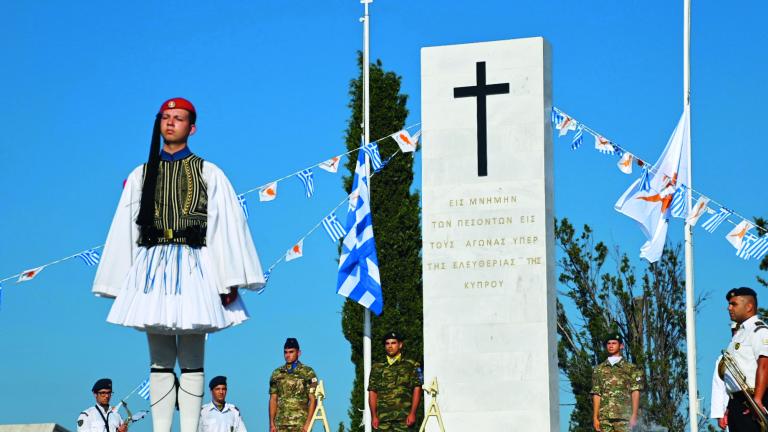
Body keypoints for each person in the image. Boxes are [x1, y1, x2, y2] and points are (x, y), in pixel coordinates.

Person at [93, 97, 265, 432]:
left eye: (179, 118)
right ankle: (161, 429)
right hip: (152, 263)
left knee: (192, 355)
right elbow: (126, 227)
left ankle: (188, 428)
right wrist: (120, 282)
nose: (171, 123)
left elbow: (225, 226)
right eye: (166, 118)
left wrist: (227, 279)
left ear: (192, 127)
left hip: (194, 263)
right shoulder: (142, 173)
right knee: (158, 358)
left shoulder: (208, 172)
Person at [722, 287, 768, 432]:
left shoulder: (759, 330)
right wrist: (730, 406)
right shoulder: (740, 333)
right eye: (729, 304)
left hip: (752, 400)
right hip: (737, 402)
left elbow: (765, 365)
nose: (729, 308)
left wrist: (758, 399)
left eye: (734, 304)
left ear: (749, 306)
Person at [368, 332, 423, 431]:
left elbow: (417, 389)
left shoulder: (412, 365)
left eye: (393, 343)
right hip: (383, 420)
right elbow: (372, 392)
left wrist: (413, 413)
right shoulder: (377, 367)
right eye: (387, 343)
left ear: (400, 345)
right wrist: (374, 416)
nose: (390, 346)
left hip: (404, 418)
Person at [590, 333, 642, 432]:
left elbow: (635, 391)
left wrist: (634, 415)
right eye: (608, 343)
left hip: (624, 417)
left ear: (621, 346)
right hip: (604, 418)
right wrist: (595, 417)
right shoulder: (599, 369)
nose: (611, 346)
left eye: (614, 343)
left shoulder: (631, 368)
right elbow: (596, 394)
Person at [269, 338, 318, 432]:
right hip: (280, 425)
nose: (288, 355)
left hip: (300, 424)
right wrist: (272, 424)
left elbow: (313, 400)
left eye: (291, 352)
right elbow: (273, 399)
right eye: (285, 352)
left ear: (298, 353)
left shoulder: (308, 372)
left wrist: (308, 424)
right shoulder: (276, 373)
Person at [711, 322, 738, 430]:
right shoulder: (723, 359)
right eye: (734, 331)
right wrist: (719, 415)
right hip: (730, 409)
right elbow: (718, 386)